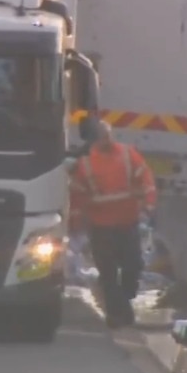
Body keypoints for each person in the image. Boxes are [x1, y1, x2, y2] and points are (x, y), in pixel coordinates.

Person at [69, 120, 157, 328]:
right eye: (103, 136)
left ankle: (122, 304)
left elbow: (146, 179)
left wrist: (149, 204)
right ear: (95, 140)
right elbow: (78, 196)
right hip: (101, 228)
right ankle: (118, 315)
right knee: (108, 274)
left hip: (128, 224)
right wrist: (75, 223)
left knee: (133, 266)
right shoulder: (86, 164)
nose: (108, 139)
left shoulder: (128, 154)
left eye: (109, 135)